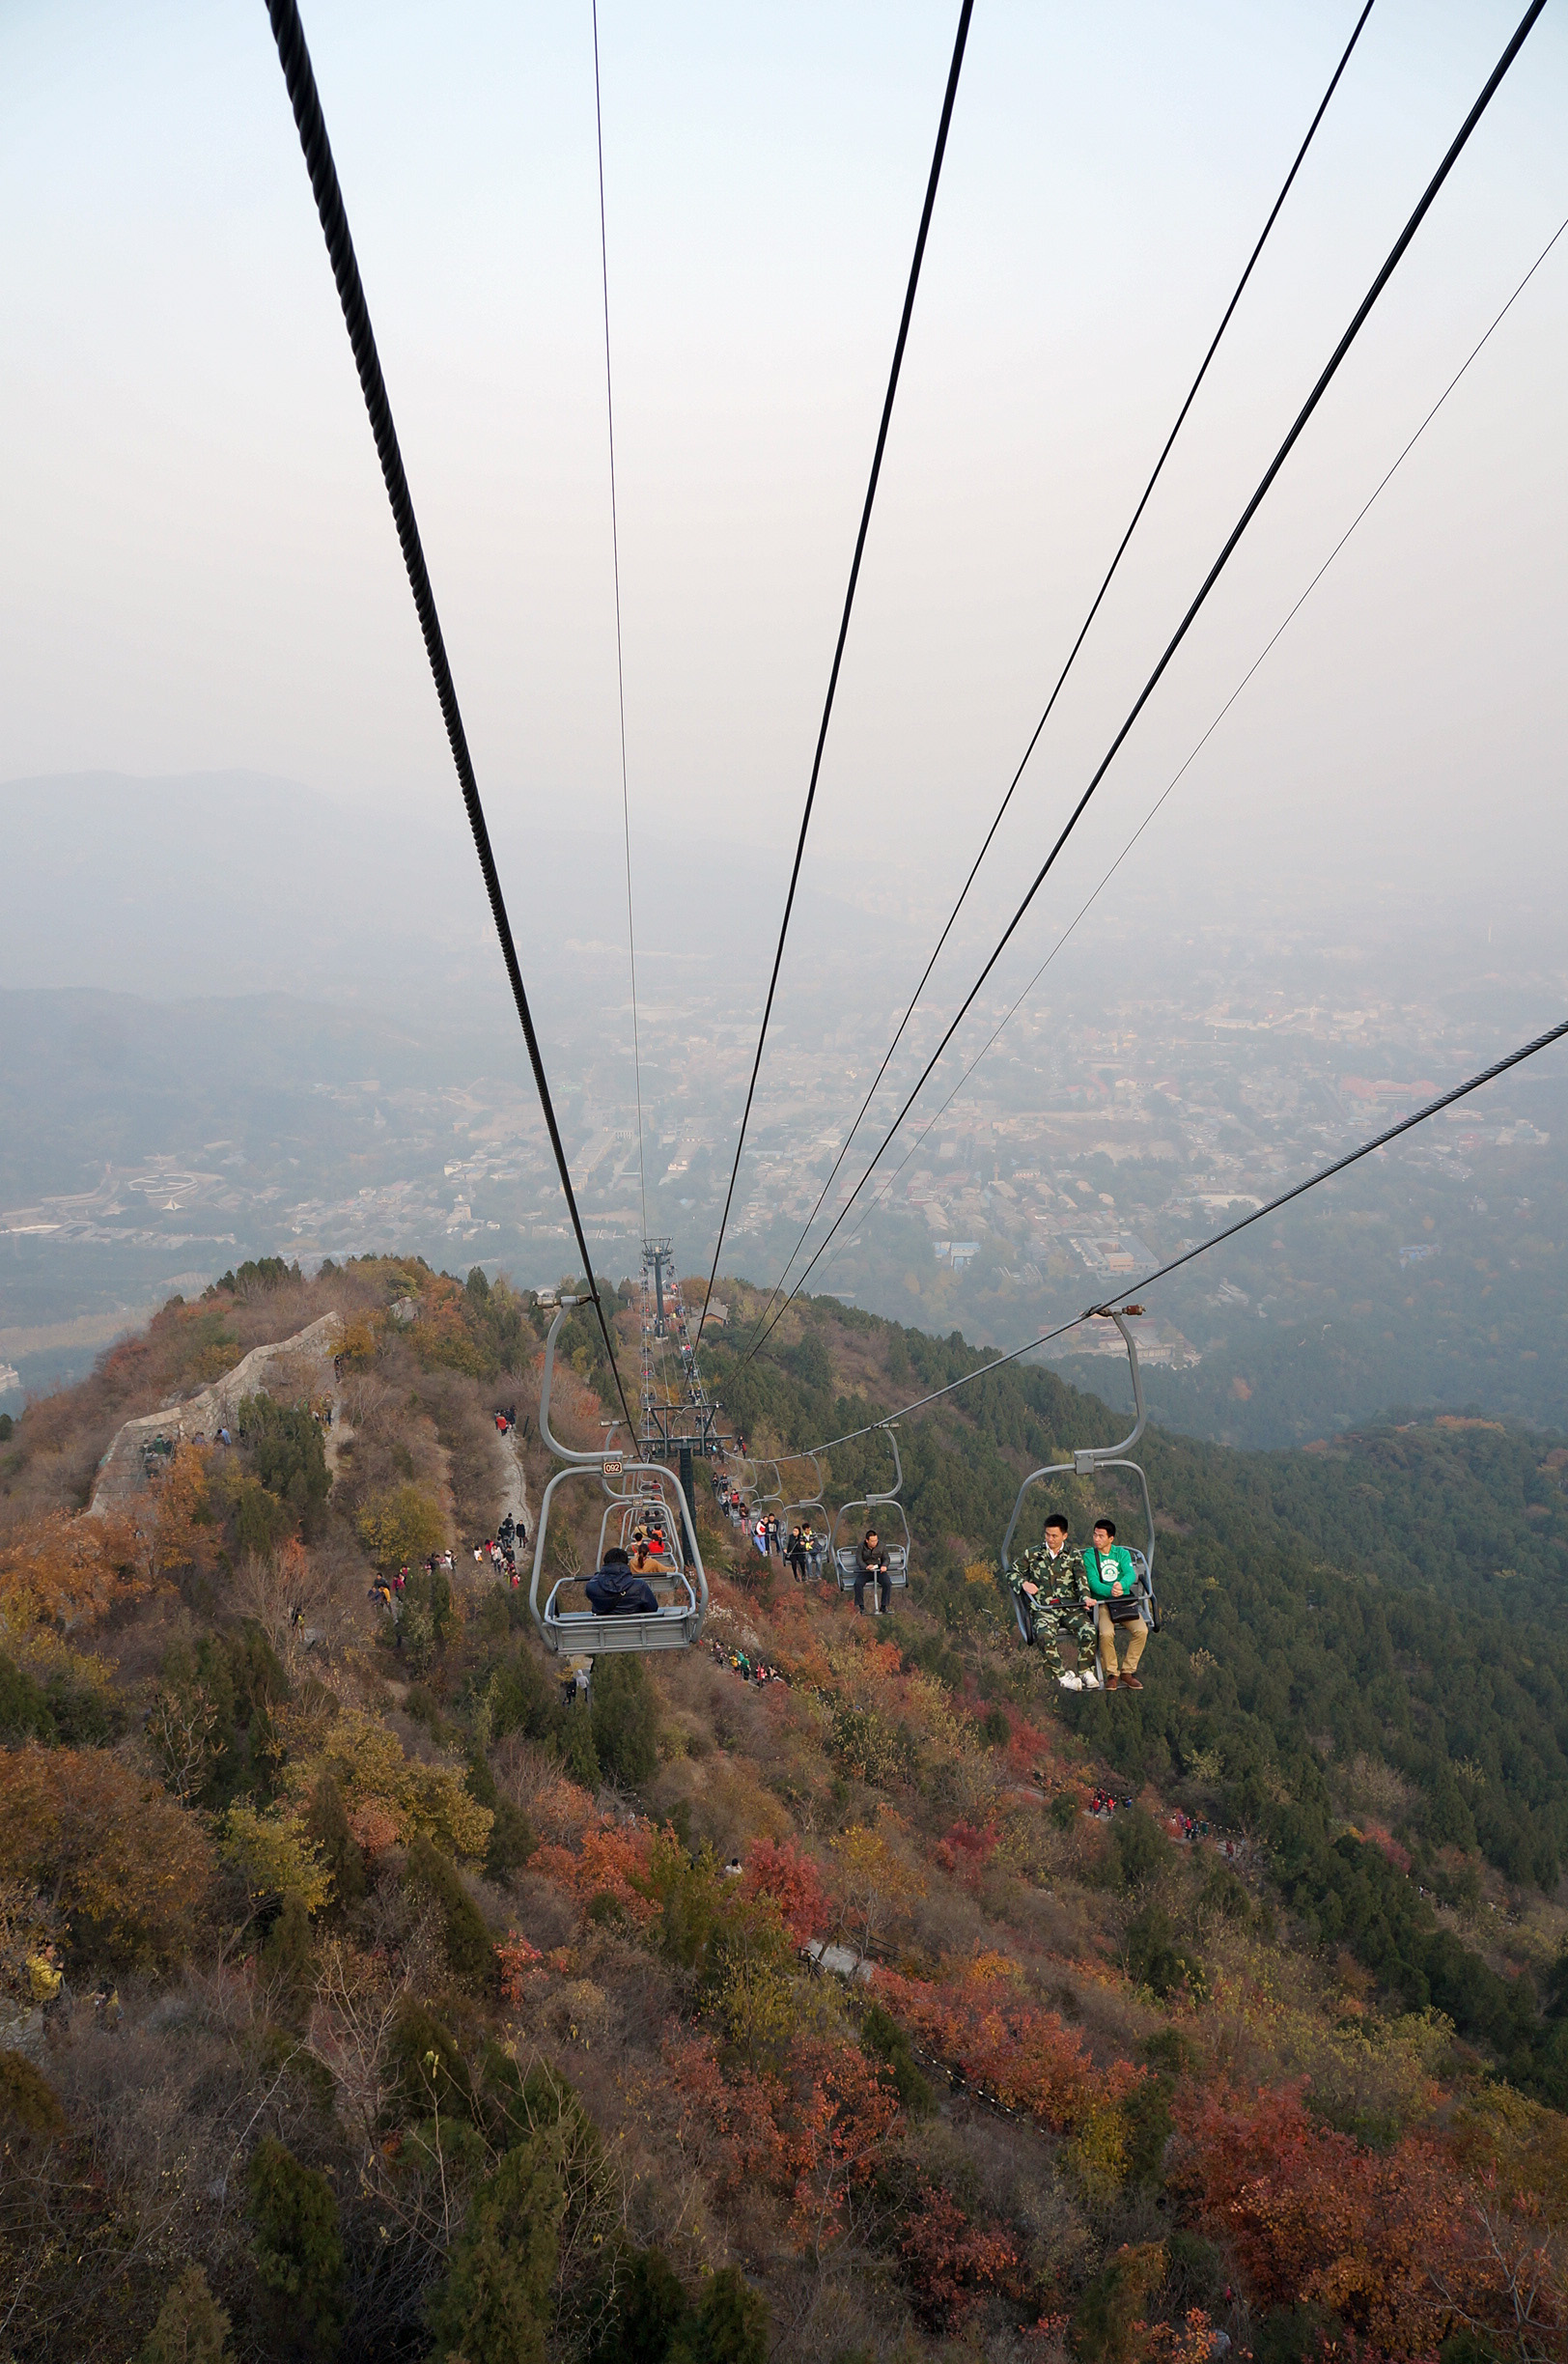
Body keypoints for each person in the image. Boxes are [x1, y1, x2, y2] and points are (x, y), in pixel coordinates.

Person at [1010, 1514, 1098, 1691]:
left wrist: (1085, 1598)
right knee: (1043, 1635)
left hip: (1069, 1606)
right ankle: (1061, 1674)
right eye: (1047, 1535)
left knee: (1089, 1630)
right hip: (1045, 1608)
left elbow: (1081, 1581)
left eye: (1054, 1536)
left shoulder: (1073, 1556)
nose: (1050, 1539)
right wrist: (1024, 1584)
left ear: (1064, 1536)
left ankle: (1085, 1670)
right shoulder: (1033, 1554)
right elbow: (1012, 1572)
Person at [1082, 1517, 1148, 1692]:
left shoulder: (1121, 1554)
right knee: (1105, 1633)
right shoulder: (1090, 1556)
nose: (1096, 1539)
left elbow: (1129, 1574)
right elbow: (1092, 1581)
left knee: (1141, 1631)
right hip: (1103, 1602)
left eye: (1101, 1536)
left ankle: (1128, 1671)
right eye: (1095, 1535)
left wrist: (1122, 1585)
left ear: (1111, 1539)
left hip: (1122, 1601)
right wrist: (1110, 1590)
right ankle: (1113, 1673)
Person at [586, 1545, 659, 1616]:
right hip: (635, 1627)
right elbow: (653, 1608)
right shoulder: (639, 1586)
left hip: (603, 1628)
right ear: (626, 1564)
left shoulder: (592, 1588)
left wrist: (599, 1574)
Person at [854, 1527, 891, 1617]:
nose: (875, 1543)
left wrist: (884, 1566)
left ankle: (884, 1606)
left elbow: (886, 1558)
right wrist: (866, 1567)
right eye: (872, 1541)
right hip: (866, 1571)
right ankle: (862, 1607)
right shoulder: (861, 1547)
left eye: (876, 1540)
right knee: (858, 1584)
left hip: (878, 1570)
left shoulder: (881, 1546)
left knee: (887, 1583)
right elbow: (859, 1560)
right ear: (867, 1540)